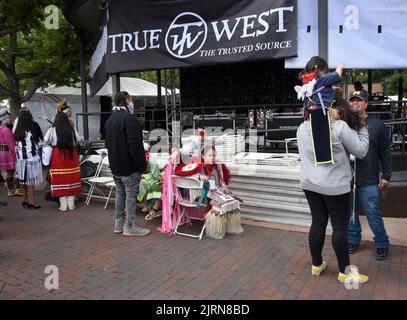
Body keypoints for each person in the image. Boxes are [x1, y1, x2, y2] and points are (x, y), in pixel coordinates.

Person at [297, 96, 370, 284]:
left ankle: (316, 265)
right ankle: (345, 272)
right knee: (339, 228)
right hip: (335, 186)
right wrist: (362, 126)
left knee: (318, 223)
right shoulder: (339, 127)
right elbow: (361, 151)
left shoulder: (303, 127)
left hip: (310, 184)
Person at [347, 90, 391, 260]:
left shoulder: (377, 125)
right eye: (352, 101)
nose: (355, 103)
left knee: (372, 212)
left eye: (359, 100)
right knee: (350, 212)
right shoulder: (345, 124)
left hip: (369, 177)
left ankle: (381, 243)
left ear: (366, 103)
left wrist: (386, 175)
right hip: (348, 177)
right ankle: (353, 239)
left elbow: (385, 152)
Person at [105, 91, 150, 237]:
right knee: (130, 196)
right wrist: (142, 166)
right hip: (129, 167)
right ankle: (129, 226)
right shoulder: (129, 119)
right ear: (126, 100)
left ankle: (119, 223)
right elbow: (135, 146)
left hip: (116, 166)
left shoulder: (110, 120)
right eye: (130, 99)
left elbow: (108, 145)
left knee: (120, 193)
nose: (132, 102)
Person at [295, 56, 344, 165]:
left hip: (310, 113)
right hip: (322, 112)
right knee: (323, 143)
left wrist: (333, 88)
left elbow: (318, 89)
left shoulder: (306, 80)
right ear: (321, 69)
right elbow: (337, 76)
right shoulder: (321, 78)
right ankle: (324, 158)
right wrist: (341, 65)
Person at [44, 112, 81, 212]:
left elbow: (45, 143)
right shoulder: (72, 129)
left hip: (58, 155)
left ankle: (63, 206)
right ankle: (71, 204)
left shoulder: (52, 130)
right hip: (71, 154)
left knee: (59, 178)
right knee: (71, 177)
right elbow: (78, 140)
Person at [14, 108, 43, 209]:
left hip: (20, 159)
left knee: (22, 180)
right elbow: (34, 145)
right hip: (30, 158)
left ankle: (25, 200)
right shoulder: (29, 132)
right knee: (30, 181)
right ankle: (32, 202)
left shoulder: (17, 131)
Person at [0, 109, 22, 197]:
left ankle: (11, 190)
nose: (11, 119)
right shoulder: (6, 130)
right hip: (9, 153)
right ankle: (16, 189)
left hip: (2, 152)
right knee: (14, 171)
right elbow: (11, 144)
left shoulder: (1, 129)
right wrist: (16, 154)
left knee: (9, 171)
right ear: (6, 119)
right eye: (9, 118)